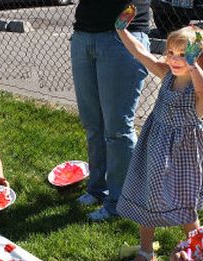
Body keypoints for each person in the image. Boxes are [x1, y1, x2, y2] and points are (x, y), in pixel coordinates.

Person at [115, 15, 203, 261]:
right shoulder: (166, 75)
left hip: (183, 157)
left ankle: (199, 251)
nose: (174, 58)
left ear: (200, 59)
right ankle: (146, 250)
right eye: (171, 51)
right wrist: (121, 31)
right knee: (148, 196)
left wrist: (192, 67)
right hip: (155, 146)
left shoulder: (198, 92)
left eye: (184, 54)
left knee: (185, 206)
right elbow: (141, 54)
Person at [70, 0, 151, 221]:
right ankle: (97, 190)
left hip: (123, 36)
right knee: (92, 124)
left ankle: (120, 203)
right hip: (84, 33)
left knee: (117, 129)